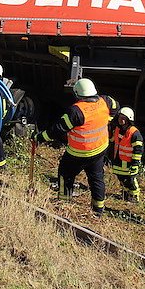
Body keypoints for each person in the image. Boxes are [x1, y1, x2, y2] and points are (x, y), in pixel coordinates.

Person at [33, 78, 118, 216]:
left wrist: (40, 137)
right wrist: (108, 119)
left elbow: (58, 129)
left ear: (78, 94)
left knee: (65, 174)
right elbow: (116, 105)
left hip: (78, 153)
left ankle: (64, 203)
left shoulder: (76, 111)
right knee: (97, 179)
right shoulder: (105, 101)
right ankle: (98, 210)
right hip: (99, 150)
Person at [109, 107, 144, 202]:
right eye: (120, 117)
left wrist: (135, 163)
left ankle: (134, 197)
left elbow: (138, 149)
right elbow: (112, 140)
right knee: (122, 180)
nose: (121, 120)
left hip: (129, 162)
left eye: (124, 118)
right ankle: (125, 195)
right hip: (118, 161)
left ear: (129, 119)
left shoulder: (134, 133)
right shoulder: (117, 129)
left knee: (130, 181)